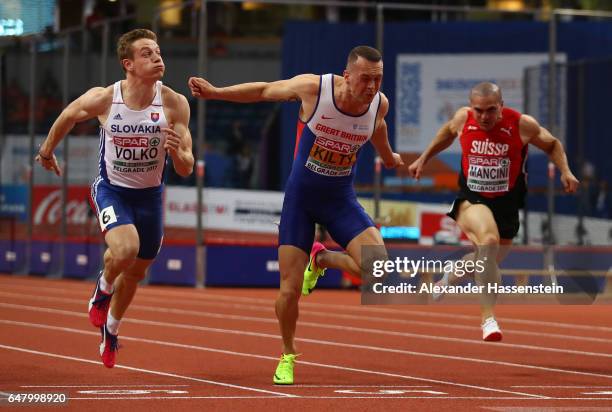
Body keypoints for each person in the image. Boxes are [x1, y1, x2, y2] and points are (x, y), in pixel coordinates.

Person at [189, 45, 403, 384]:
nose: (372, 87)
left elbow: (378, 128)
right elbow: (263, 91)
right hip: (301, 201)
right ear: (347, 75)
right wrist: (216, 93)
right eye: (365, 79)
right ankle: (287, 354)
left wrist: (389, 158)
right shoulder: (315, 90)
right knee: (288, 291)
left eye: (378, 80)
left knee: (378, 270)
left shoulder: (379, 102)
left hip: (340, 200)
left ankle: (322, 261)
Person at [35, 29, 194, 368]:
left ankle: (111, 330)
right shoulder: (106, 99)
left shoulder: (174, 103)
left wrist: (178, 153)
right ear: (129, 64)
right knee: (125, 249)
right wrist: (47, 150)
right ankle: (102, 290)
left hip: (150, 197)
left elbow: (186, 167)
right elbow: (68, 115)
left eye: (158, 51)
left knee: (136, 273)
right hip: (111, 189)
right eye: (147, 54)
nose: (157, 58)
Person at [408, 82, 579, 341]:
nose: (484, 117)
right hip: (471, 200)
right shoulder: (463, 118)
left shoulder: (521, 124)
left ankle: (451, 273)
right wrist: (424, 158)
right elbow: (447, 133)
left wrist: (566, 171)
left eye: (490, 110)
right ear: (471, 107)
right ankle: (488, 319)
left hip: (506, 205)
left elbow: (552, 144)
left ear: (501, 106)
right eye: (479, 110)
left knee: (487, 259)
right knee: (488, 242)